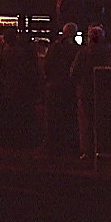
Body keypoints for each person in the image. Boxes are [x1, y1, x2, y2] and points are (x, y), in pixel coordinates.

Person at [70, 25, 111, 159]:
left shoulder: (83, 52)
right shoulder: (109, 51)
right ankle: (104, 149)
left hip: (86, 91)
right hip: (104, 91)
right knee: (104, 121)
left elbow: (74, 71)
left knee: (87, 123)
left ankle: (88, 151)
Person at [43, 22, 80, 152]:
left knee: (53, 118)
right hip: (68, 87)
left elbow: (46, 65)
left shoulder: (54, 47)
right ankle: (68, 145)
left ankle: (52, 145)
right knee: (68, 117)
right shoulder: (76, 49)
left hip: (54, 85)